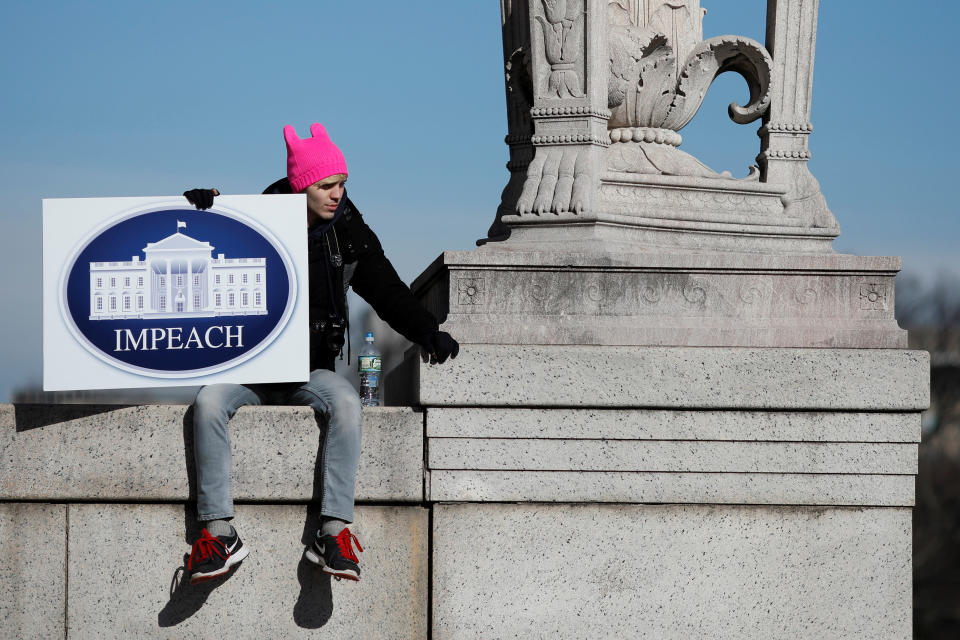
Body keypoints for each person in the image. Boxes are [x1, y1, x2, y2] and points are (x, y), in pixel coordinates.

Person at [182, 122, 458, 584]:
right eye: (326, 185)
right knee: (208, 402)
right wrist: (197, 210)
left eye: (342, 184)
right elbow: (202, 254)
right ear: (299, 187)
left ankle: (332, 534)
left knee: (348, 403)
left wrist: (427, 331)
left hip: (311, 369)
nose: (337, 195)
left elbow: (387, 290)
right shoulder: (254, 218)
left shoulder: (349, 230)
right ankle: (218, 535)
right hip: (251, 369)